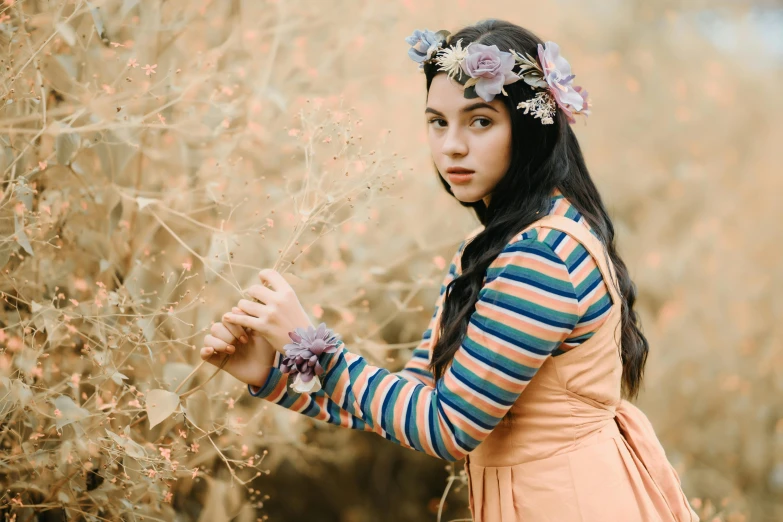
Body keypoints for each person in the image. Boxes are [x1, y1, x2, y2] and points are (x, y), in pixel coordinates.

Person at [201, 19, 699, 522]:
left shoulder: (541, 257)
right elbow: (415, 405)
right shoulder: (490, 248)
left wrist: (305, 340)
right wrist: (275, 373)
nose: (451, 146)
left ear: (529, 128)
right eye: (438, 122)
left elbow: (447, 428)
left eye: (480, 121)